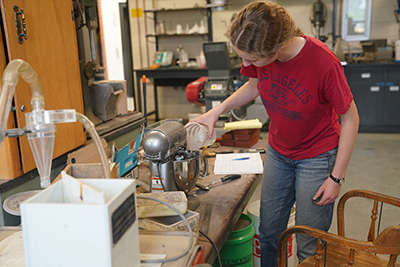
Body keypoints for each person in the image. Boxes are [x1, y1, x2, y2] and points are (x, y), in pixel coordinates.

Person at [190, 1, 359, 266]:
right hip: (279, 153)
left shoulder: (323, 62)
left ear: (278, 47)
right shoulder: (259, 55)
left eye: (252, 59)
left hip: (316, 156)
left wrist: (336, 177)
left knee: (308, 241)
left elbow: (350, 118)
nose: (246, 64)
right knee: (269, 233)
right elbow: (253, 85)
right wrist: (216, 111)